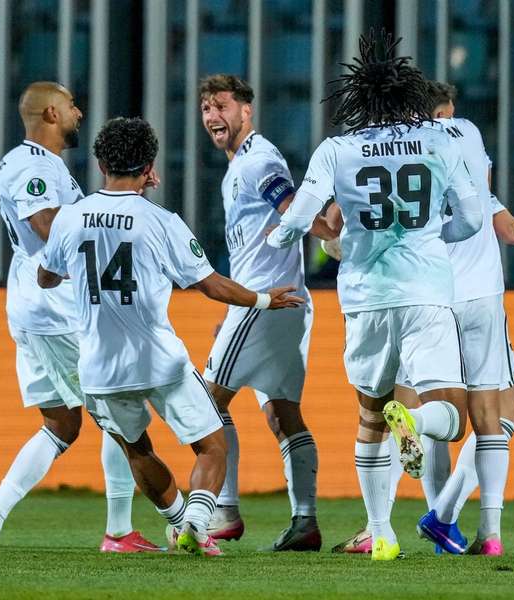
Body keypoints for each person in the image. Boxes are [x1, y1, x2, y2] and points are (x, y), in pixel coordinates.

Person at [329, 81, 514, 556]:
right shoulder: (465, 139)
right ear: (448, 110)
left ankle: (393, 523)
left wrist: (338, 247)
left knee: (414, 408)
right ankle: (475, 528)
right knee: (496, 416)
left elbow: (344, 225)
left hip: (421, 296)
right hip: (478, 295)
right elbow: (509, 229)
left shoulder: (387, 158)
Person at [38, 116, 305, 557]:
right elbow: (210, 283)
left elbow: (46, 276)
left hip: (101, 369)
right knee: (212, 445)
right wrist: (262, 299)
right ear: (150, 168)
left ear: (102, 162)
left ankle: (181, 523)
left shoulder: (70, 218)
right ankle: (198, 525)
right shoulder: (159, 219)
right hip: (159, 361)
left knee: (137, 450)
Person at [266, 31, 484, 561]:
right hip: (427, 292)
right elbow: (473, 219)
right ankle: (414, 423)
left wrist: (278, 239)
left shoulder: (338, 149)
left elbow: (301, 214)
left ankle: (379, 531)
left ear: (358, 101)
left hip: (364, 295)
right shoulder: (440, 142)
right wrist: (435, 239)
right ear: (411, 96)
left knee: (369, 415)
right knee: (452, 416)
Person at [0, 82, 158, 553]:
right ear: (51, 113)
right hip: (55, 307)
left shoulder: (29, 162)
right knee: (119, 412)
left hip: (29, 304)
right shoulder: (34, 167)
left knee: (62, 424)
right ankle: (119, 531)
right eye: (72, 105)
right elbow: (49, 228)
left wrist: (119, 194)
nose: (79, 112)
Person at [198, 74, 336, 551]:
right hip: (280, 302)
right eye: (206, 109)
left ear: (246, 111)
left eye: (221, 106)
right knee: (283, 414)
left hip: (266, 300)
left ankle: (225, 513)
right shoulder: (241, 164)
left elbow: (295, 209)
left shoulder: (259, 160)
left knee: (205, 404)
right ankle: (305, 522)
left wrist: (331, 228)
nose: (213, 116)